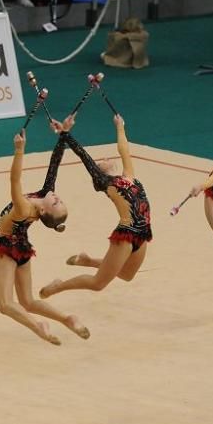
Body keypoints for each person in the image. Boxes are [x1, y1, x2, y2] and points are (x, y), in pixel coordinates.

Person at [0, 126, 89, 345]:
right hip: (23, 248)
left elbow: (14, 181)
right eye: (59, 199)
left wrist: (19, 150)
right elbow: (54, 164)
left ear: (44, 212)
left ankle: (38, 326)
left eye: (56, 202)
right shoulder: (44, 197)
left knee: (6, 304)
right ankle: (68, 318)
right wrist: (63, 134)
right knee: (27, 301)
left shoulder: (24, 209)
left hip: (7, 249)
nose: (56, 196)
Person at [40, 113, 151, 299]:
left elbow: (124, 149)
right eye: (102, 161)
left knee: (126, 275)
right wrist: (66, 134)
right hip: (128, 234)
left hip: (143, 232)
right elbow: (83, 156)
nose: (106, 158)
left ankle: (87, 260)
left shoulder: (128, 175)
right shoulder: (105, 182)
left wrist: (120, 126)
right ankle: (59, 286)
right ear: (100, 170)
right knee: (97, 284)